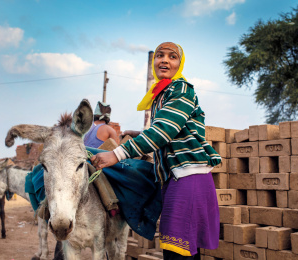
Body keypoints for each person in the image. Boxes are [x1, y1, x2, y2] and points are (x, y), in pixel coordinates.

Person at [91, 42, 221, 259]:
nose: (165, 60)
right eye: (160, 56)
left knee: (176, 252)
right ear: (154, 62)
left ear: (180, 63)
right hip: (175, 177)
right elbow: (167, 129)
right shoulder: (161, 94)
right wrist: (140, 133)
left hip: (188, 175)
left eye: (172, 57)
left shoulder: (181, 88)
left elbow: (164, 130)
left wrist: (116, 155)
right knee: (182, 251)